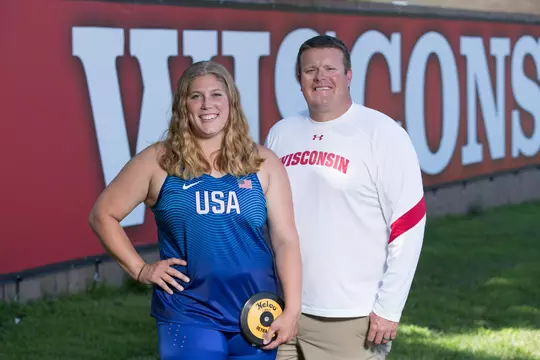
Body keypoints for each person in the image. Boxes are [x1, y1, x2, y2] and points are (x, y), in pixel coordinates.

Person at [89, 60, 302, 360]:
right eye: (195, 96)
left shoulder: (263, 162)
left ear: (231, 103)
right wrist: (140, 269)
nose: (207, 105)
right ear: (182, 105)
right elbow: (103, 215)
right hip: (189, 312)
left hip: (255, 312)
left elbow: (285, 240)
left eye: (216, 95)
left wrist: (292, 309)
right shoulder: (158, 160)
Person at [264, 35, 427, 360]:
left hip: (350, 315)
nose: (320, 77)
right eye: (310, 70)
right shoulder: (281, 133)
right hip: (284, 307)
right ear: (299, 80)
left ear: (349, 75)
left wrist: (389, 307)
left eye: (330, 68)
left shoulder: (382, 133)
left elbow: (409, 224)